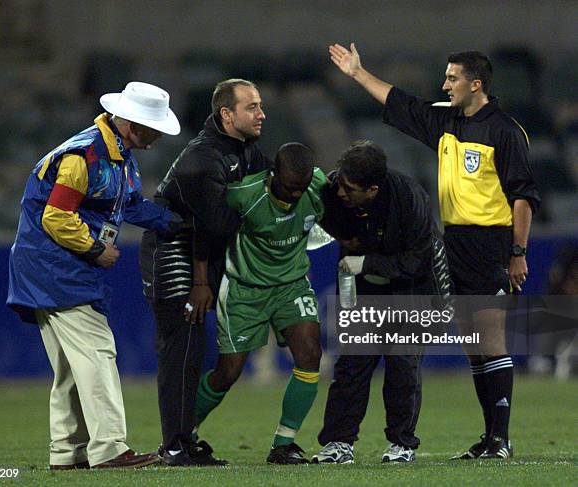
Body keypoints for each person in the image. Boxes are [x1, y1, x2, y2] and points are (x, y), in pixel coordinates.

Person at [329, 43, 540, 459]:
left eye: (452, 78)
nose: (444, 83)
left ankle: (501, 440)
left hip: (491, 243)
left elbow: (523, 197)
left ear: (475, 84)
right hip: (454, 243)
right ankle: (490, 438)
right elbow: (400, 102)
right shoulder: (447, 121)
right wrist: (357, 73)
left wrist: (518, 251)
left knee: (491, 340)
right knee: (475, 346)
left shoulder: (505, 131)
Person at [7, 82, 183, 469]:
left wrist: (176, 224)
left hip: (49, 266)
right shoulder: (84, 155)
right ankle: (109, 449)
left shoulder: (115, 155)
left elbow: (130, 206)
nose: (156, 137)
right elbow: (56, 216)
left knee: (71, 367)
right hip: (58, 267)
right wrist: (94, 248)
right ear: (133, 123)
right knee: (98, 352)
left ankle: (67, 453)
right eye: (154, 128)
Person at [139, 79, 271, 466]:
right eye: (251, 107)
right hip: (173, 254)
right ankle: (175, 445)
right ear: (226, 115)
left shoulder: (244, 152)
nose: (261, 114)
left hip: (201, 255)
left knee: (193, 351)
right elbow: (213, 224)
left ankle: (184, 438)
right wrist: (199, 282)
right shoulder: (203, 159)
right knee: (182, 350)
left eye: (260, 105)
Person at [310, 140, 447, 464]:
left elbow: (415, 263)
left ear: (372, 189)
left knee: (403, 366)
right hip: (363, 288)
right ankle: (338, 444)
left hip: (411, 290)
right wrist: (343, 238)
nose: (341, 192)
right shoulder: (333, 190)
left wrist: (366, 261)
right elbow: (323, 213)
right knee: (352, 366)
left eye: (349, 188)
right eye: (340, 182)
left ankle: (402, 444)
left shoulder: (411, 201)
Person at [193, 143, 325, 464]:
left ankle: (284, 444)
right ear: (273, 174)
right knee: (228, 373)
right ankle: (183, 432)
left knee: (310, 354)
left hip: (291, 284)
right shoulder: (244, 195)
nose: (296, 195)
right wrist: (200, 282)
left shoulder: (319, 187)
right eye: (290, 187)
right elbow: (204, 231)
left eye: (301, 188)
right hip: (245, 289)